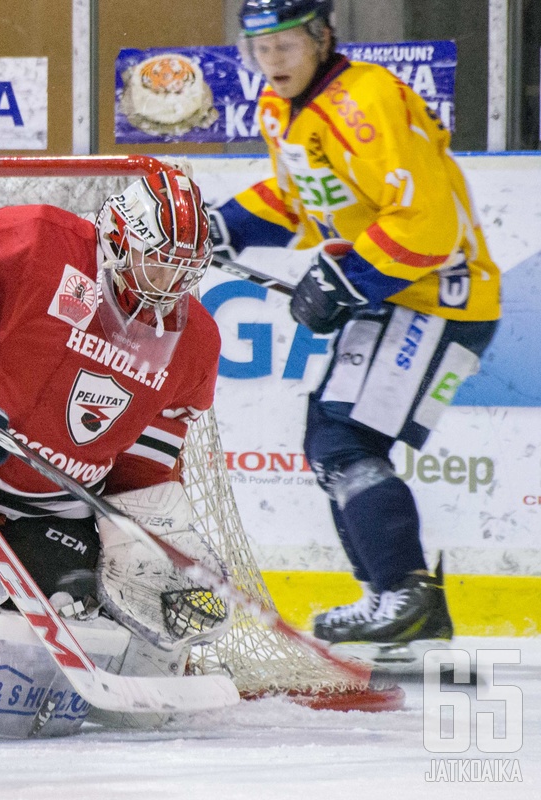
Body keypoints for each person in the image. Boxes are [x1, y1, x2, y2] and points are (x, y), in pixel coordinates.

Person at [0, 165, 231, 735]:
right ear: (120, 238)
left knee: (27, 676)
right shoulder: (33, 242)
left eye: (186, 268)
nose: (171, 281)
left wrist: (152, 540)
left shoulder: (193, 340)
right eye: (160, 259)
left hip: (58, 513)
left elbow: (145, 467)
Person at [210, 0, 500, 658]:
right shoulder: (280, 109)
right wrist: (225, 225)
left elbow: (429, 225)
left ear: (321, 36)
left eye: (286, 43)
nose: (272, 59)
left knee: (342, 438)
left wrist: (347, 279)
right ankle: (393, 598)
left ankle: (407, 595)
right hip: (401, 299)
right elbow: (298, 200)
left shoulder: (366, 101)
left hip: (440, 297)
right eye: (260, 45)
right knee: (332, 439)